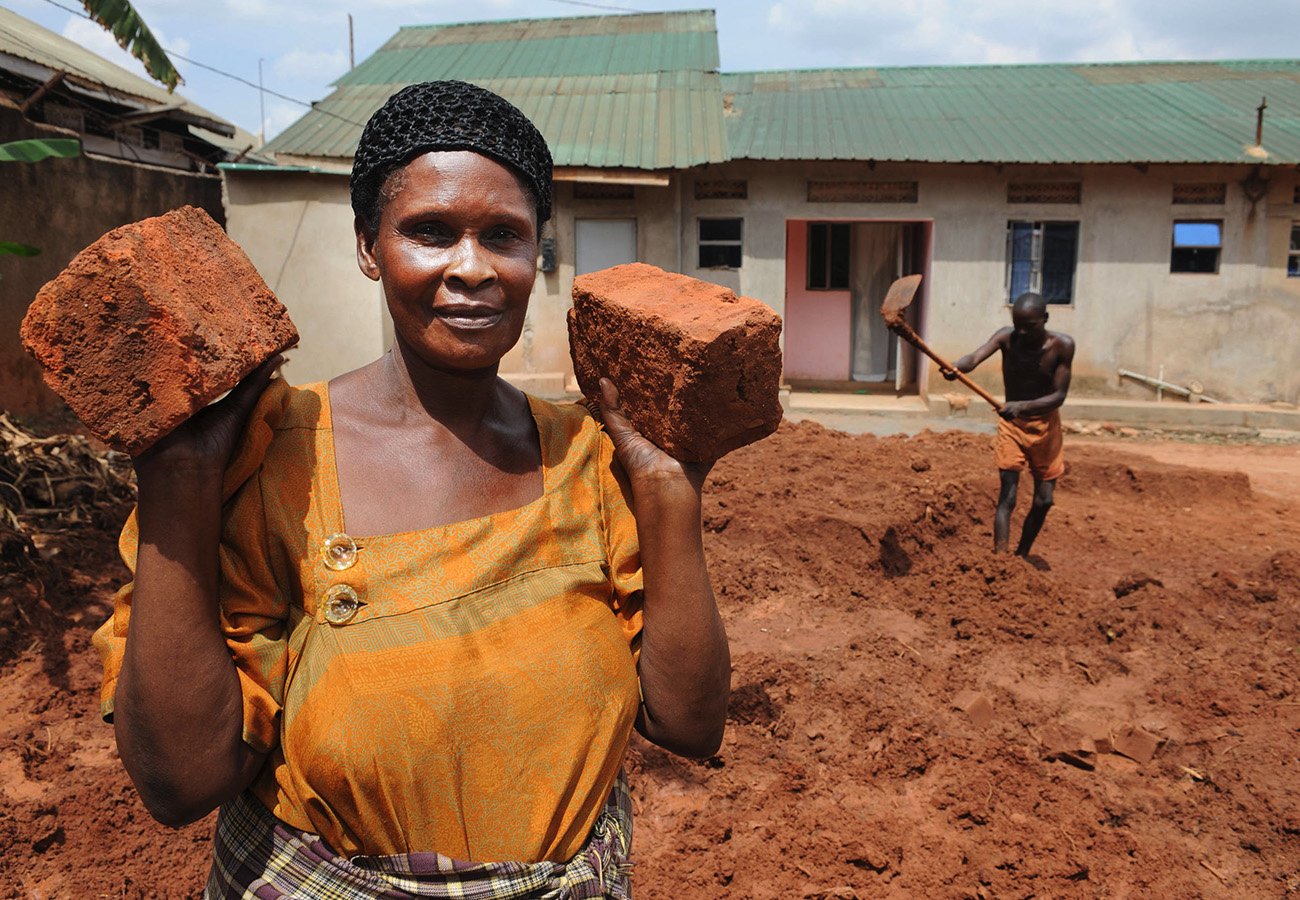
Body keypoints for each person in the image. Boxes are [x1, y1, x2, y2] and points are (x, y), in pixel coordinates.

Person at [93, 80, 730, 898]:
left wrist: (670, 491)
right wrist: (178, 487)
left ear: (539, 254)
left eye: (504, 235)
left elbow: (688, 720)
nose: (471, 269)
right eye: (430, 232)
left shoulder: (588, 458)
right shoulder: (274, 458)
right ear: (368, 247)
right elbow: (180, 781)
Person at [943, 291, 1075, 558]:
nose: (1023, 333)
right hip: (1011, 426)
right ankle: (1000, 560)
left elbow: (1058, 396)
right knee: (1008, 495)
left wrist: (1022, 406)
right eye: (1018, 326)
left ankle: (1022, 555)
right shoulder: (1005, 337)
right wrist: (957, 366)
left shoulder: (1062, 345)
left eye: (1030, 327)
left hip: (1045, 426)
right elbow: (974, 357)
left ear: (1045, 319)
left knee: (1044, 500)